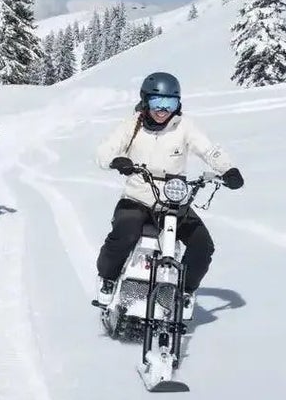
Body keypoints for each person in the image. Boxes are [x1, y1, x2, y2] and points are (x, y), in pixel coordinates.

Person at [93, 70, 242, 306]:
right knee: (125, 233)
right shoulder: (132, 125)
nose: (163, 110)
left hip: (173, 202)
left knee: (203, 245)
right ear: (145, 101)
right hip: (137, 197)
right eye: (157, 102)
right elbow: (104, 150)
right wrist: (116, 160)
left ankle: (184, 291)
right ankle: (108, 278)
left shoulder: (184, 126)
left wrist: (228, 169)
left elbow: (209, 150)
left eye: (170, 103)